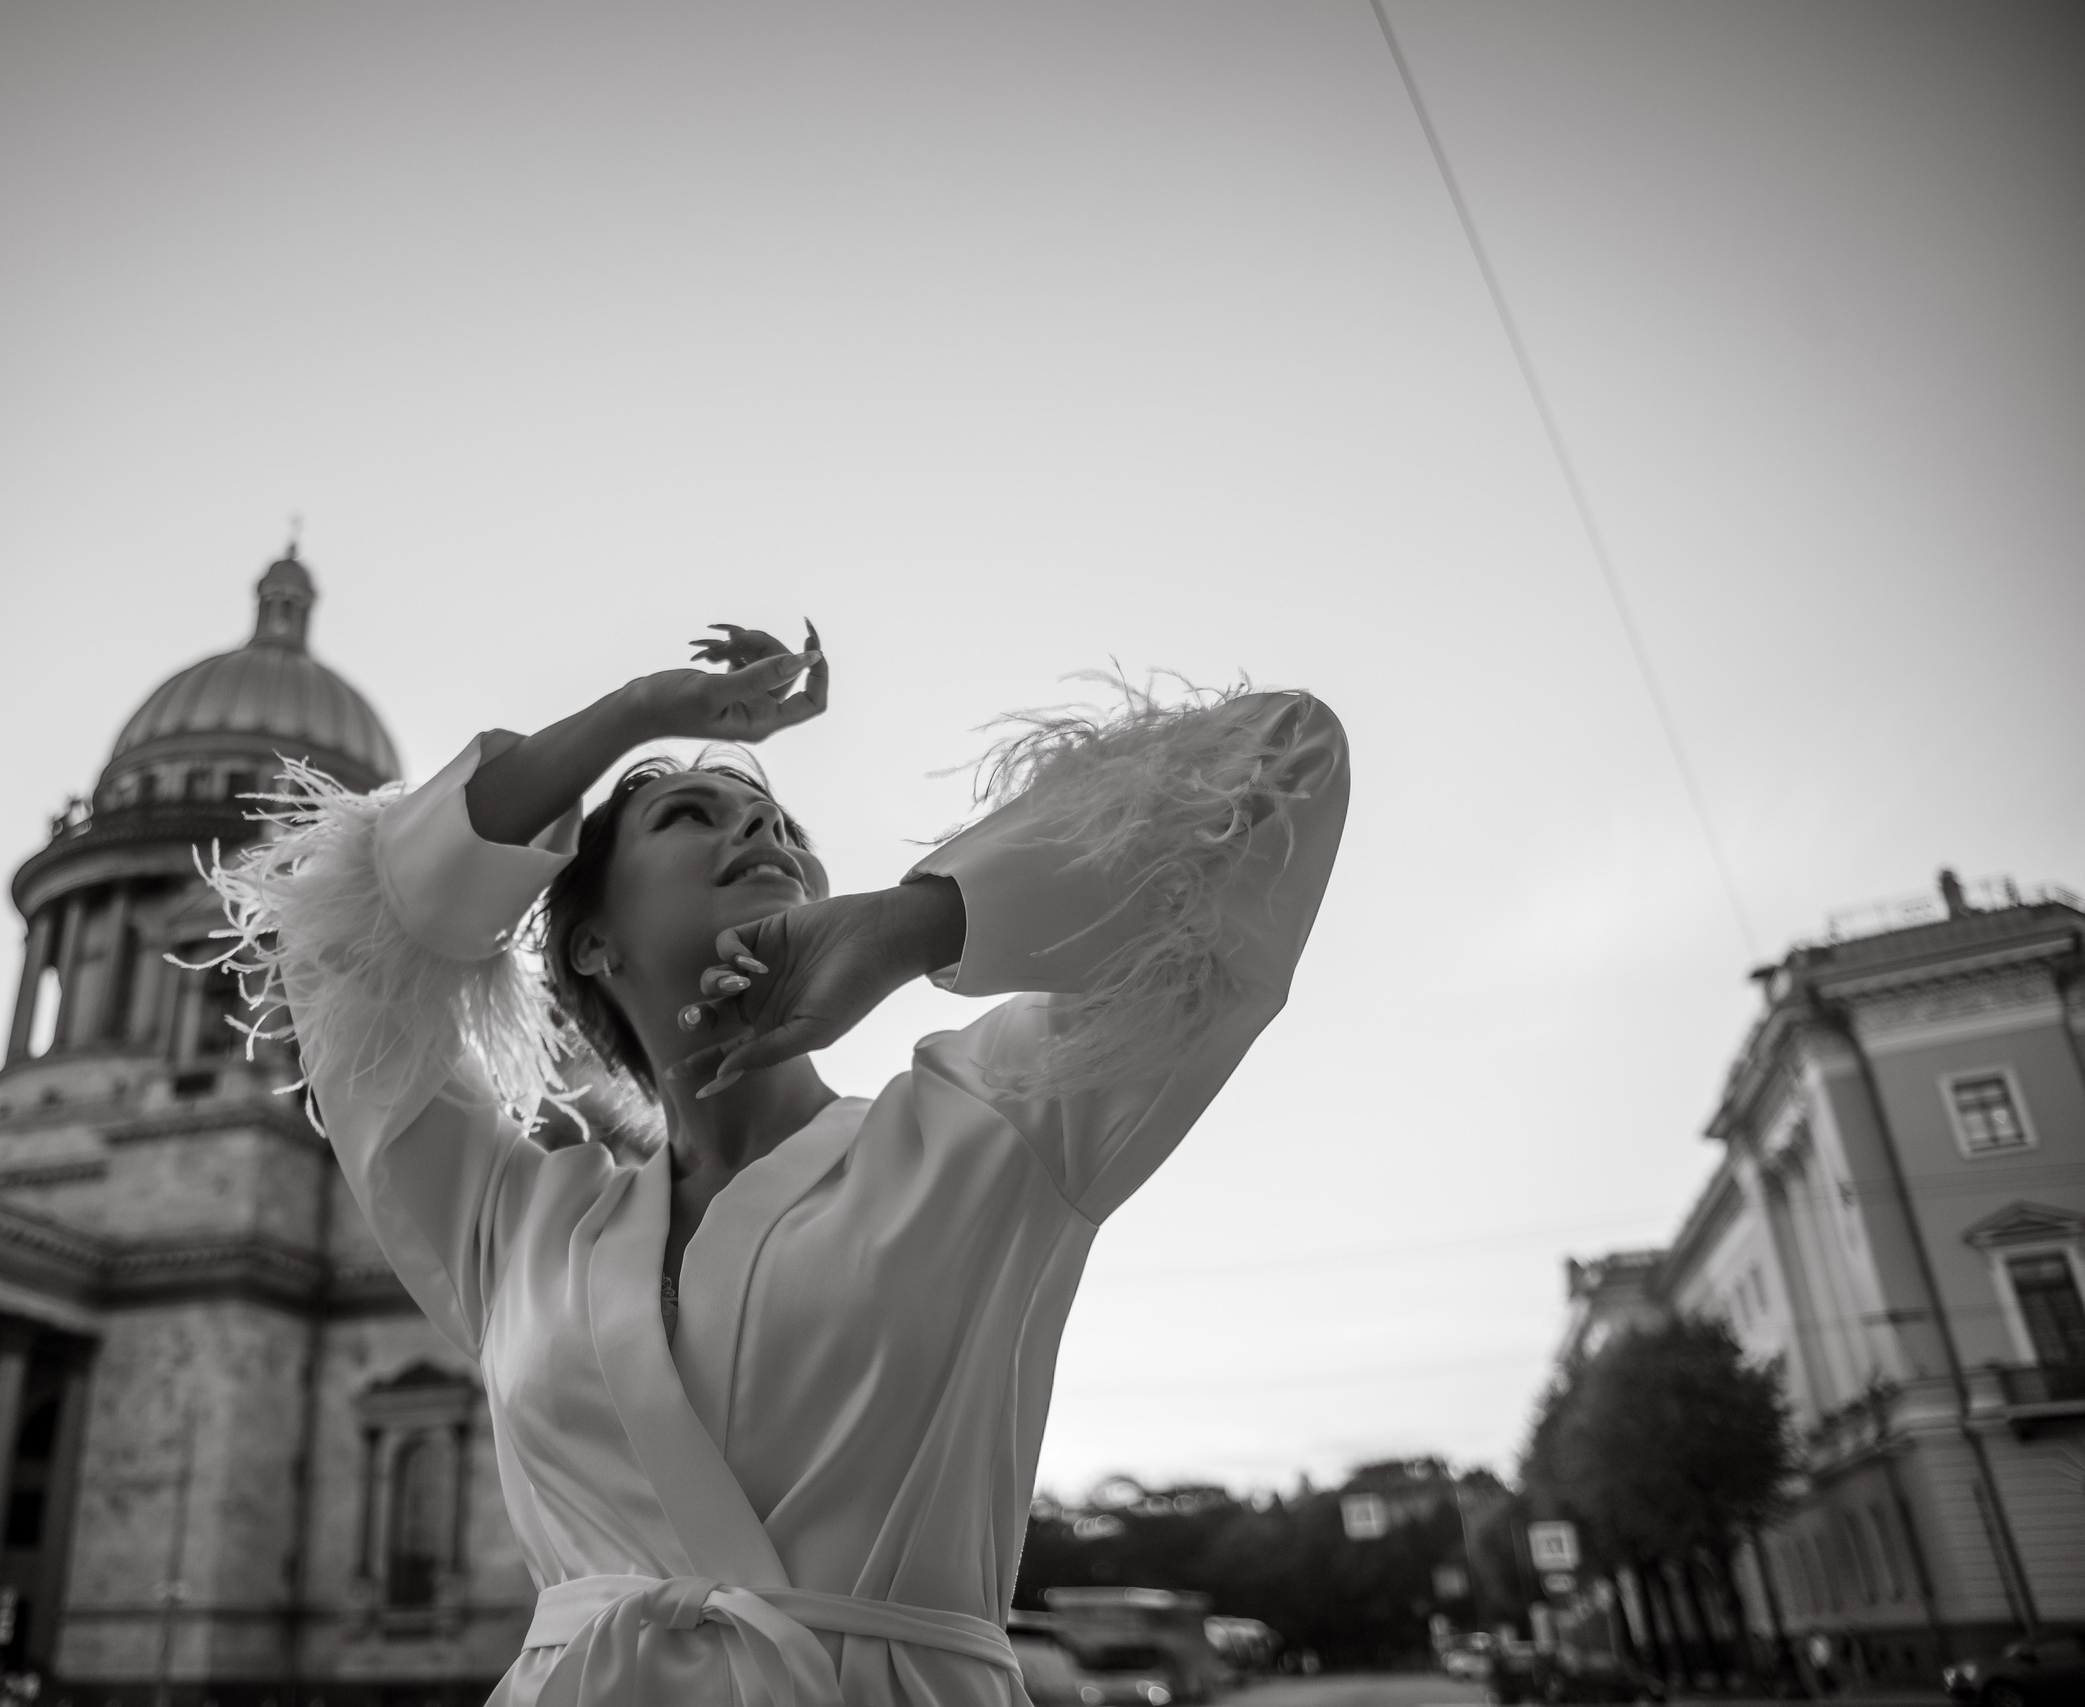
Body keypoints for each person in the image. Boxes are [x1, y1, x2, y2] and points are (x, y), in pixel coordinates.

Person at [208, 624, 1349, 1707]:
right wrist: (638, 711)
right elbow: (342, 941)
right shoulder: (512, 1226)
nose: (758, 827)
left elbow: (1284, 763)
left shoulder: (994, 1126)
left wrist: (911, 925)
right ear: (589, 942)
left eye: (778, 823)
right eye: (688, 814)